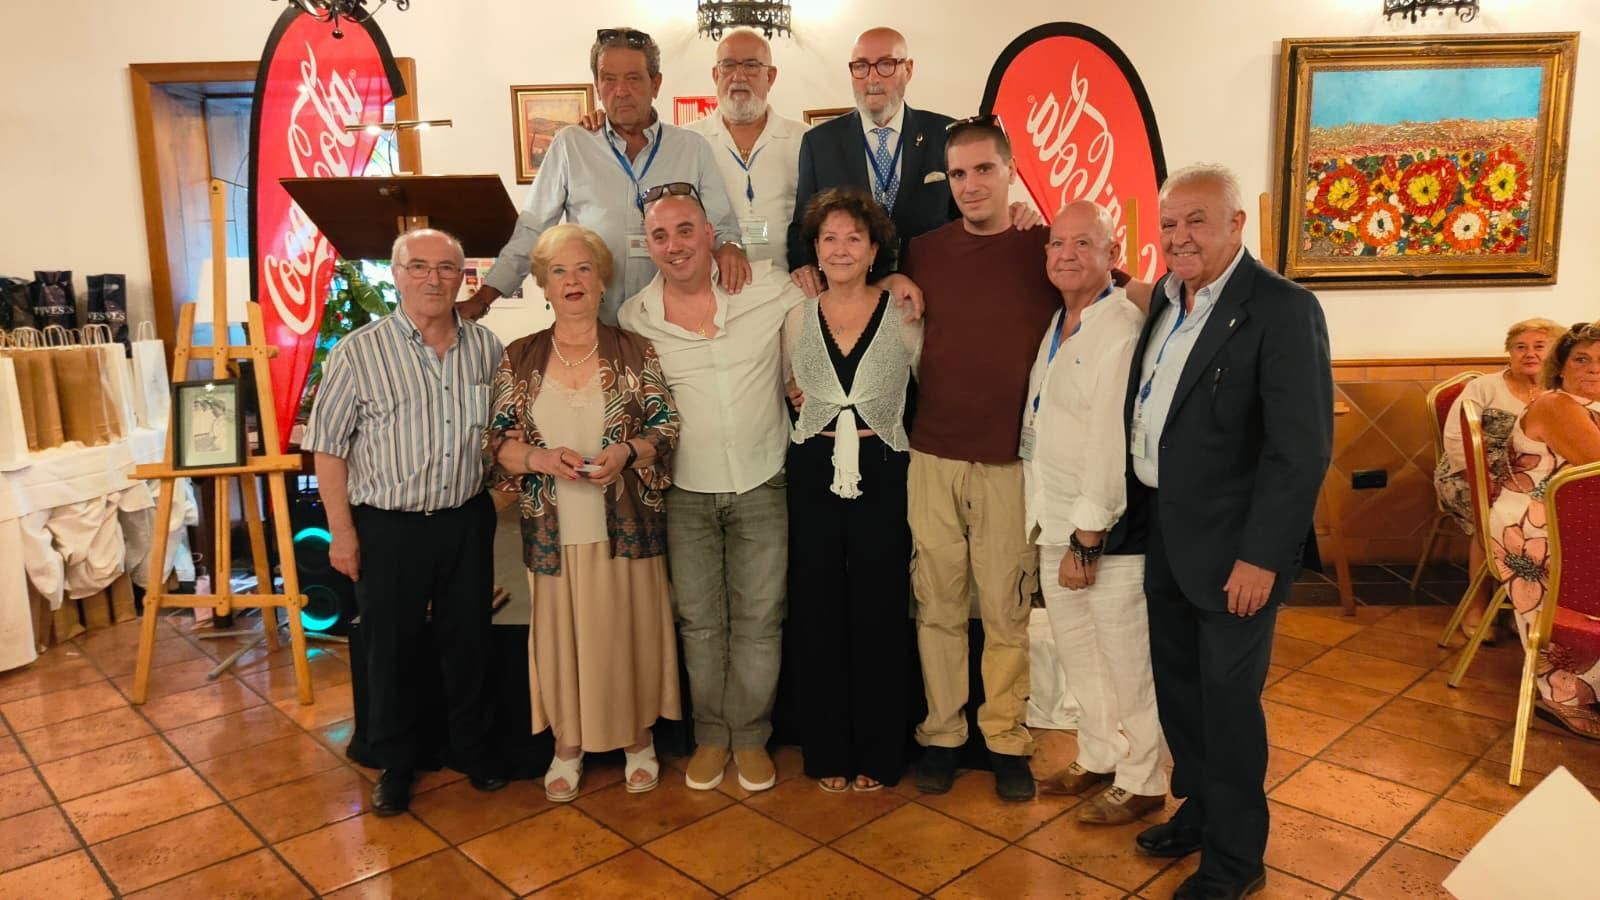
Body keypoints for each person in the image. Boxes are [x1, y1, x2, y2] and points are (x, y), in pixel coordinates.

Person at [1126, 164, 1332, 900]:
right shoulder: (1163, 299)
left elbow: (1299, 449)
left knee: (1229, 706)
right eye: (1170, 222)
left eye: (1197, 221)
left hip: (1236, 554)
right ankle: (1201, 813)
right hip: (1167, 536)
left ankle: (1237, 859)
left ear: (1237, 224)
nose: (1179, 236)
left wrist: (1261, 557)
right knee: (1182, 696)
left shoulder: (1281, 308)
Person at [304, 228, 508, 815]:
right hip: (387, 526)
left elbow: (498, 432)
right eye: (418, 267)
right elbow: (329, 449)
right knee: (390, 648)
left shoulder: (486, 348)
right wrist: (343, 533)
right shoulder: (357, 352)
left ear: (462, 278)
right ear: (396, 274)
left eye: (447, 268)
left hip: (465, 520)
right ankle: (396, 760)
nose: (433, 279)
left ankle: (472, 747)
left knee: (468, 640)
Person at [617, 184, 806, 793]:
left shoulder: (767, 289)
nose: (675, 246)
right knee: (698, 622)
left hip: (762, 479)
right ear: (647, 247)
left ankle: (750, 736)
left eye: (686, 230)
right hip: (685, 491)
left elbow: (836, 280)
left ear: (710, 233)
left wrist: (895, 284)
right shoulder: (634, 319)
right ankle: (711, 735)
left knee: (759, 619)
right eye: (660, 236)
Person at [487, 224, 682, 801]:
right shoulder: (517, 357)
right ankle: (566, 744)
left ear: (602, 282)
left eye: (584, 270)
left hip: (625, 524)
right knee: (560, 639)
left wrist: (627, 452)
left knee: (628, 633)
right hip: (551, 527)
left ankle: (636, 740)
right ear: (544, 286)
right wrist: (540, 458)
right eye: (559, 272)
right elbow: (496, 442)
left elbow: (665, 427)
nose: (572, 281)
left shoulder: (633, 349)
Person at [903, 116, 1054, 802]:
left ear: (1010, 170)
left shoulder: (1043, 245)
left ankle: (1005, 741)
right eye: (957, 173)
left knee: (1004, 609)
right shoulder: (924, 251)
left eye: (983, 170)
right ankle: (942, 734)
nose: (969, 185)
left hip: (1008, 461)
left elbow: (1113, 293)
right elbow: (867, 291)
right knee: (935, 606)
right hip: (931, 452)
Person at [1025, 200, 1166, 824]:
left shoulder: (1117, 328)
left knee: (1124, 655)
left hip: (1102, 529)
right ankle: (1100, 753)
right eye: (1058, 243)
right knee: (1080, 651)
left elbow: (1111, 439)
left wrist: (1088, 536)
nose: (1067, 255)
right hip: (1053, 517)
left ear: (1113, 255)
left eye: (1084, 244)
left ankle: (1143, 779)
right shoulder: (1060, 323)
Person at [464, 27, 751, 324]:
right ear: (597, 85)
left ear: (656, 83)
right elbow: (532, 232)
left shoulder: (691, 148)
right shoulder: (571, 145)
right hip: (596, 327)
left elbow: (722, 228)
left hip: (675, 328)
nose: (621, 91)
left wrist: (731, 247)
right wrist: (484, 298)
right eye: (609, 79)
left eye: (633, 78)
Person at [781, 186, 921, 792]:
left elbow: (926, 388)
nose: (840, 249)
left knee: (881, 609)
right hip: (812, 472)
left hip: (884, 470)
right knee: (818, 609)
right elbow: (787, 389)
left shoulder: (906, 315)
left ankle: (879, 750)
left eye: (853, 238)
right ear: (815, 249)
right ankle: (827, 749)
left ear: (873, 251)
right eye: (828, 238)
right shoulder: (794, 318)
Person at [787, 28, 1041, 296]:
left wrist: (1008, 216)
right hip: (850, 295)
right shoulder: (819, 142)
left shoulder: (944, 133)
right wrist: (802, 264)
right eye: (861, 66)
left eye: (886, 64)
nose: (872, 78)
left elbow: (969, 210)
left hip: (933, 289)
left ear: (908, 70)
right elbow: (802, 224)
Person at [1486, 321, 1600, 740]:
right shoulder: (1557, 404)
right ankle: (1563, 693)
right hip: (1536, 524)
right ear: (1562, 367)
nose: (1592, 369)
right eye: (1582, 359)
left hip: (1577, 518)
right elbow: (1596, 467)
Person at [1434, 318, 1561, 640]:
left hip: (1536, 478)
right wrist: (1486, 481)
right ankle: (1477, 607)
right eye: (1520, 347)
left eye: (1538, 347)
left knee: (1560, 520)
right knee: (1489, 517)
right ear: (1509, 352)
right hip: (1470, 473)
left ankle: (1541, 611)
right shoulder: (1483, 387)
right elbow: (1455, 440)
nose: (1529, 353)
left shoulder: (1561, 393)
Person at [685, 28, 807, 269]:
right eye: (728, 65)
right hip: (713, 286)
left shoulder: (803, 139)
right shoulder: (689, 140)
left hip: (787, 284)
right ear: (715, 75)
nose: (738, 76)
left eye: (751, 65)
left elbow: (817, 218)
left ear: (770, 76)